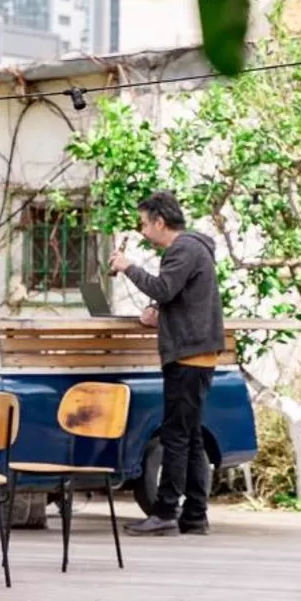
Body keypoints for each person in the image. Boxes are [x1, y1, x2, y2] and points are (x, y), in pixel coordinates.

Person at [110, 190, 225, 537]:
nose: (143, 231)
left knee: (176, 436)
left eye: (144, 223)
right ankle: (194, 516)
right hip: (195, 353)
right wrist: (159, 314)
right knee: (189, 437)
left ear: (160, 221)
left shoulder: (183, 249)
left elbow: (163, 287)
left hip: (188, 355)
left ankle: (164, 512)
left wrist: (128, 267)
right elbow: (179, 296)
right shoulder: (193, 249)